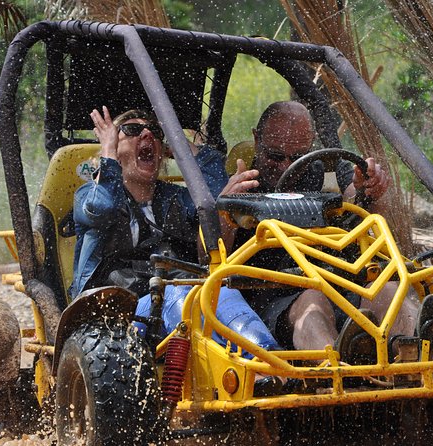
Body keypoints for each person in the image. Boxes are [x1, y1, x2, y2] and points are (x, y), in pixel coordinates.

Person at [71, 106, 279, 354]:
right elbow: (102, 207)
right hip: (113, 314)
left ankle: (268, 360)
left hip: (178, 301)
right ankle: (249, 368)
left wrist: (177, 142)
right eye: (133, 130)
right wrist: (108, 153)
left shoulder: (176, 198)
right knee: (180, 297)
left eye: (156, 133)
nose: (147, 135)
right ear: (115, 146)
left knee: (218, 293)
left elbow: (211, 195)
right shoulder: (89, 196)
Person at [224, 101, 421, 360]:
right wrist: (224, 208)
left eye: (296, 158)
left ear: (311, 143)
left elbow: (356, 197)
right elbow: (208, 256)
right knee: (312, 301)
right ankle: (336, 375)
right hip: (274, 295)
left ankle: (419, 364)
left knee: (388, 291)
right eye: (274, 156)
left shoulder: (326, 169)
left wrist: (371, 188)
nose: (285, 166)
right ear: (256, 138)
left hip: (341, 285)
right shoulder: (239, 179)